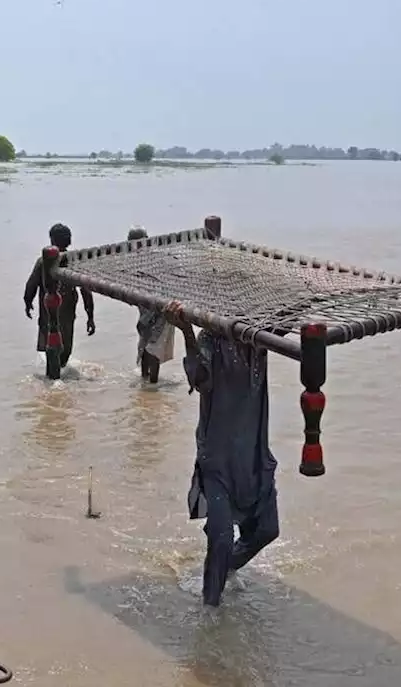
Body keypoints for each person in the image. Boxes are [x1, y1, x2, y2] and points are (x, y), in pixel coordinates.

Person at [164, 300, 279, 607]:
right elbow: (199, 380)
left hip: (253, 453)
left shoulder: (258, 339)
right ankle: (209, 613)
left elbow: (285, 326)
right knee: (221, 538)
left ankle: (226, 568)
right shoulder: (210, 339)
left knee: (268, 530)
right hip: (218, 457)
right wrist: (186, 331)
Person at [24, 223, 95, 368]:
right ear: (69, 240)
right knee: (66, 346)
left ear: (52, 240)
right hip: (67, 312)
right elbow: (86, 290)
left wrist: (27, 302)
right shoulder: (74, 260)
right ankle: (61, 374)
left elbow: (31, 284)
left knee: (50, 344)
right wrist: (90, 316)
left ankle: (54, 380)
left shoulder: (44, 261)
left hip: (48, 313)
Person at [128, 227, 175, 383]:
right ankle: (145, 380)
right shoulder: (131, 260)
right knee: (145, 345)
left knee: (154, 347)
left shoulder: (155, 259)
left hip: (161, 309)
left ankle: (152, 383)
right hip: (146, 310)